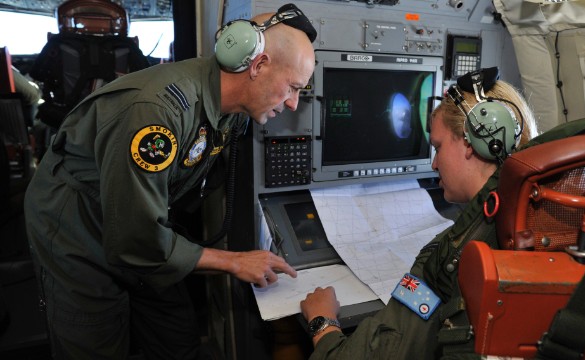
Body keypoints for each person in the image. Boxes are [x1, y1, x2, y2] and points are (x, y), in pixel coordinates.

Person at [24, 4, 316, 359]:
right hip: (77, 223)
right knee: (95, 343)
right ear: (258, 66)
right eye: (293, 88)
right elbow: (136, 239)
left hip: (142, 220)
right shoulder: (156, 112)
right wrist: (233, 261)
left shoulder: (235, 111)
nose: (293, 104)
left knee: (177, 335)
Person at [300, 68, 539, 359]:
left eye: (438, 146)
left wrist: (323, 322)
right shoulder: (547, 214)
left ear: (472, 141)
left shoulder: (447, 257)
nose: (435, 163)